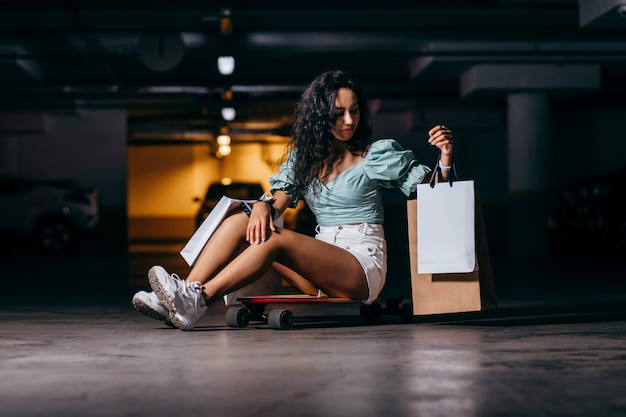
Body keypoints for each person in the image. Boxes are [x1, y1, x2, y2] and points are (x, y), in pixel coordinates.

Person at [132, 69, 454, 331]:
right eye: (338, 112)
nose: (348, 121)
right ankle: (180, 294)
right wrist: (261, 205)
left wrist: (445, 158)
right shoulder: (305, 161)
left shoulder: (374, 156)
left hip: (360, 267)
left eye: (354, 111)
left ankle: (199, 299)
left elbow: (432, 194)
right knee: (240, 221)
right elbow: (277, 201)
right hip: (317, 268)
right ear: (319, 116)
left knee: (273, 242)